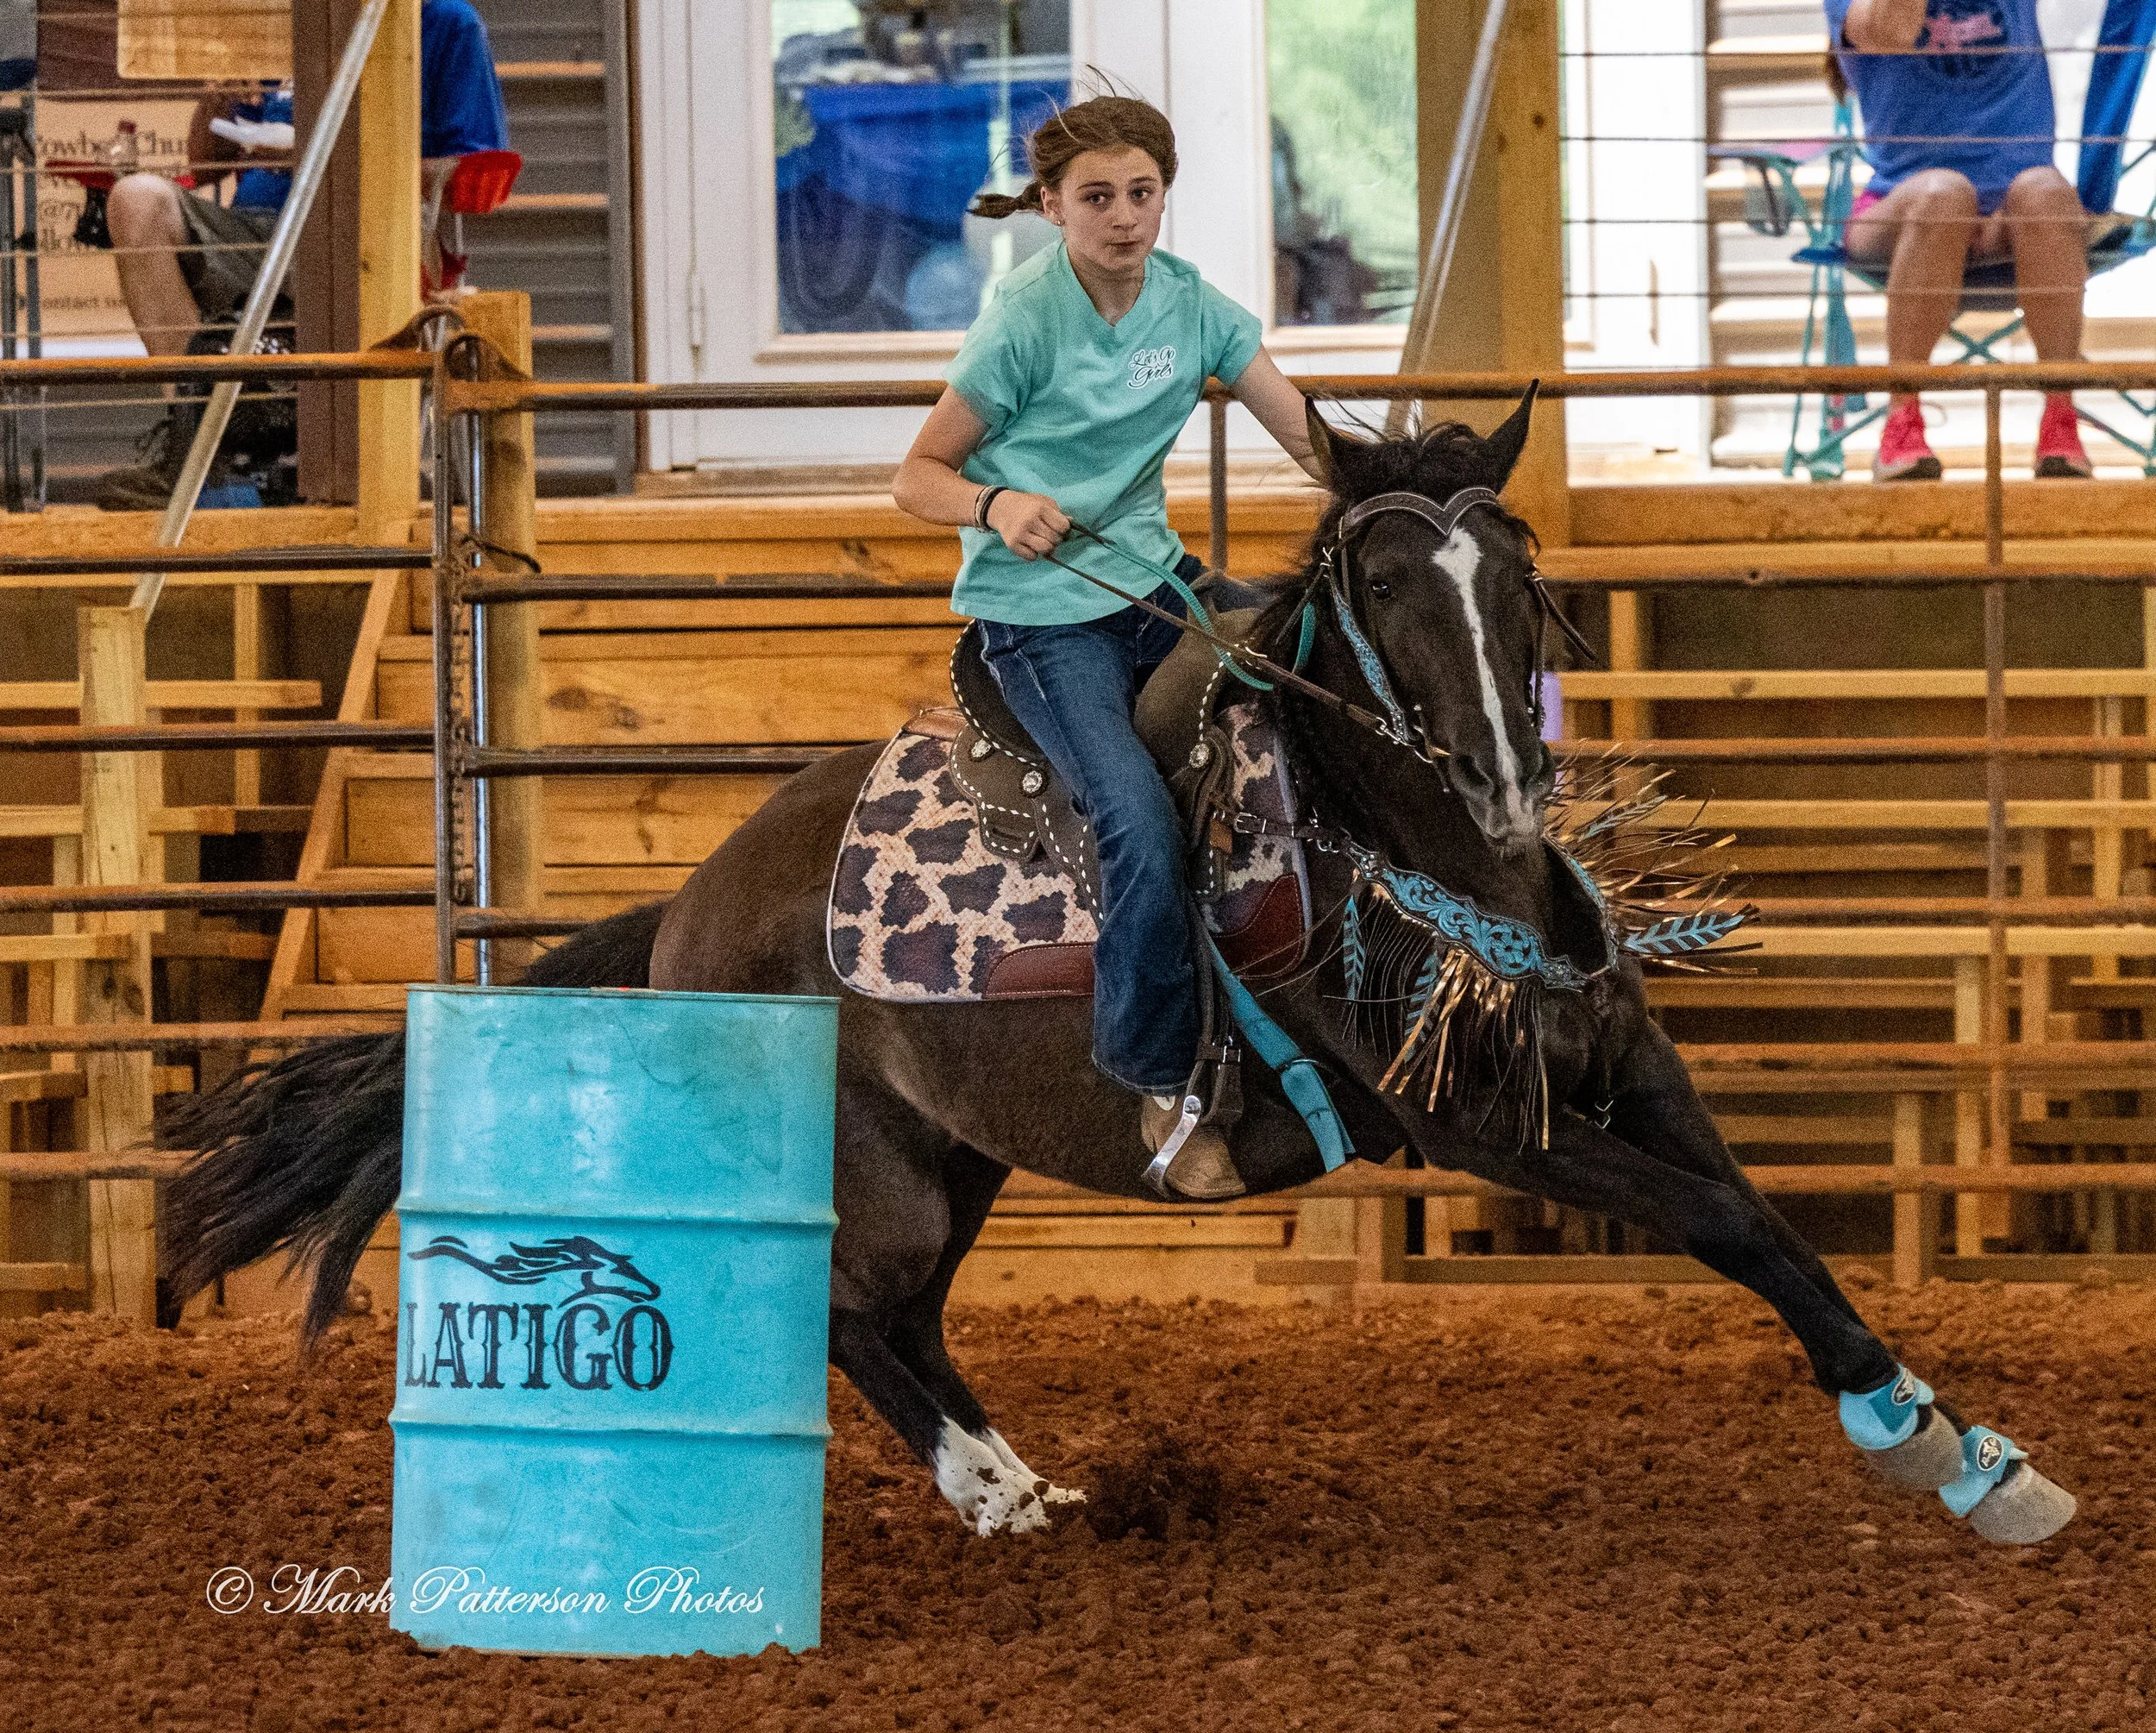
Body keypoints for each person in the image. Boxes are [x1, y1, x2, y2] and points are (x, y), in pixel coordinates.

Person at [892, 95, 1326, 1200]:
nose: (1124, 217)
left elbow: (1302, 429)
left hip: (1153, 583)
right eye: (1096, 198)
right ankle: (1159, 1082)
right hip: (1040, 618)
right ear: (1053, 208)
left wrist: (1397, 491)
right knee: (1132, 814)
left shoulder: (1192, 307)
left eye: (1141, 194)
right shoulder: (1023, 319)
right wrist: (991, 503)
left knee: (1320, 661)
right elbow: (916, 476)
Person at [95, 0, 510, 509]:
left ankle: (248, 450)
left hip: (368, 233)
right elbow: (203, 166)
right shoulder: (280, 16)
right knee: (136, 201)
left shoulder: (446, 19)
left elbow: (477, 172)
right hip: (254, 233)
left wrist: (323, 155)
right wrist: (221, 87)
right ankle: (199, 444)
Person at [1828, 0, 2094, 479]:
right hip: (1902, 204)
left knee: (2047, 190)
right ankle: (1901, 421)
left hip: (2009, 215)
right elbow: (1888, 29)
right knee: (1944, 193)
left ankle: (2060, 418)